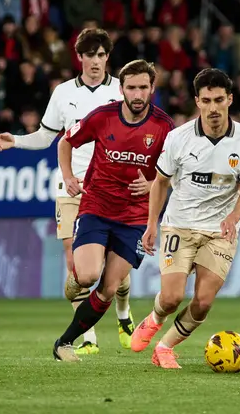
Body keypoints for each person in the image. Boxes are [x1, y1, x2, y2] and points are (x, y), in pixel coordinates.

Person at [0, 29, 142, 355]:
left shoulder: (122, 90)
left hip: (113, 186)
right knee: (77, 266)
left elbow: (138, 137)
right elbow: (47, 137)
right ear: (80, 57)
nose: (96, 61)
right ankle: (87, 338)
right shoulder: (62, 93)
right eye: (90, 55)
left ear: (107, 58)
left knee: (115, 265)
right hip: (71, 185)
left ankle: (124, 313)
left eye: (102, 55)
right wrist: (15, 140)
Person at [130, 68, 240, 369]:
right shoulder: (178, 138)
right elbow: (160, 183)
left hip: (219, 231)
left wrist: (233, 217)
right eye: (206, 100)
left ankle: (164, 348)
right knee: (172, 297)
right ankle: (154, 318)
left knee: (203, 301)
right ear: (197, 102)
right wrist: (151, 224)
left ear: (229, 99)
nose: (213, 108)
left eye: (219, 100)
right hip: (180, 224)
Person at [51, 59, 174, 362]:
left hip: (133, 218)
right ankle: (80, 276)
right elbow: (66, 142)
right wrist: (67, 176)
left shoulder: (164, 127)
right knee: (89, 275)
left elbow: (173, 173)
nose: (137, 94)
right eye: (131, 87)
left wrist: (155, 186)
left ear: (152, 89)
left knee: (108, 288)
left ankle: (63, 343)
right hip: (96, 207)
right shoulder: (103, 117)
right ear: (121, 89)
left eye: (143, 87)